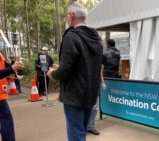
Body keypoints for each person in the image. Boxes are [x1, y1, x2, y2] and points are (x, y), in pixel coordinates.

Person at [47, 1, 103, 141]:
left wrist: (52, 74)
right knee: (81, 132)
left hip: (75, 96)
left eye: (66, 15)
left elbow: (64, 71)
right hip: (90, 94)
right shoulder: (96, 37)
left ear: (71, 15)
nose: (66, 18)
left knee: (76, 135)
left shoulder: (72, 36)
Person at [87, 71, 106, 135]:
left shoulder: (97, 61)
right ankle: (83, 126)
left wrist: (102, 82)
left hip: (95, 86)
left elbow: (100, 70)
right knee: (84, 108)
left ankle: (90, 127)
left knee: (94, 108)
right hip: (85, 85)